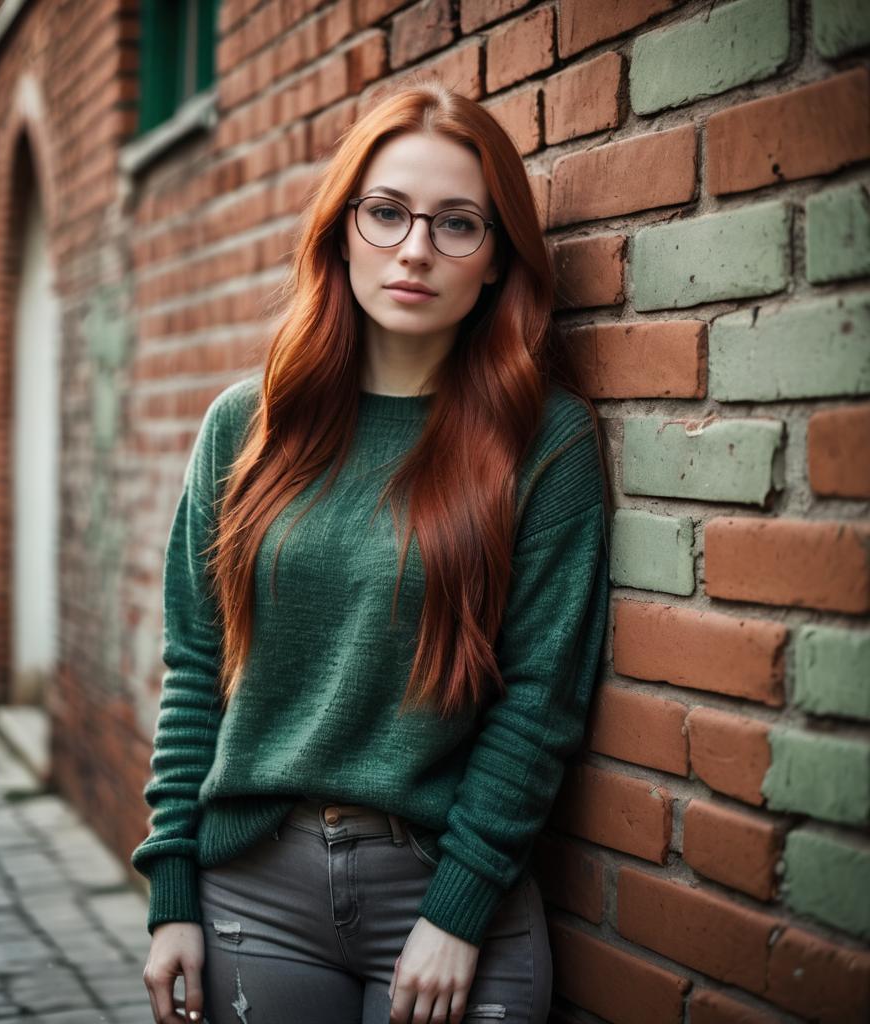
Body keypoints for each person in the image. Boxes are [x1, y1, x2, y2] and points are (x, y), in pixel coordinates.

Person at [133, 79, 610, 1024]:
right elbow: (196, 670)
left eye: (458, 225)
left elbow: (540, 701)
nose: (416, 250)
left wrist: (459, 908)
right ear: (342, 228)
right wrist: (172, 890)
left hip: (442, 894)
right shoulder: (248, 427)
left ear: (496, 260)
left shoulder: (544, 445)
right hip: (255, 899)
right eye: (387, 213)